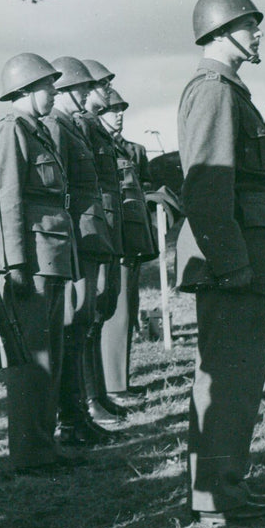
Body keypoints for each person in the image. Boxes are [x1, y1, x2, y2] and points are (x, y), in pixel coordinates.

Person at [176, 0, 265, 528]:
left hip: (243, 259)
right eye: (250, 24)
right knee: (228, 378)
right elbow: (206, 186)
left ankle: (224, 488)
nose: (258, 34)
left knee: (237, 376)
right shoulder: (213, 91)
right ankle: (217, 497)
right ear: (222, 31)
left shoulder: (231, 90)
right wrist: (229, 263)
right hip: (233, 264)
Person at [0, 53, 79, 474]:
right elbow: (4, 200)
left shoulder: (37, 132)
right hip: (33, 262)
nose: (54, 92)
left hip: (52, 258)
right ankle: (29, 452)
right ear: (25, 89)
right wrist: (14, 262)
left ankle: (44, 443)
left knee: (50, 359)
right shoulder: (11, 131)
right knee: (31, 362)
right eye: (47, 85)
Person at [44, 58, 116, 448]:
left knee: (82, 323)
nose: (89, 93)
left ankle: (79, 415)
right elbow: (61, 187)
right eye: (82, 88)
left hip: (87, 237)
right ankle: (71, 418)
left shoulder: (74, 125)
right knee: (73, 328)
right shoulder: (57, 125)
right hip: (73, 237)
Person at [76, 59, 127, 429]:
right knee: (87, 319)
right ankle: (89, 398)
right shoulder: (80, 126)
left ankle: (97, 395)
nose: (107, 89)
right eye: (101, 84)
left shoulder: (94, 128)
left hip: (105, 228)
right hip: (90, 231)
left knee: (99, 313)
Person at [98, 87, 157, 405]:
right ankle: (113, 387)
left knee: (129, 309)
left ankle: (121, 381)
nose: (118, 114)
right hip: (112, 239)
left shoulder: (135, 149)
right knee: (116, 313)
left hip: (133, 238)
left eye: (121, 109)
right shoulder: (96, 145)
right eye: (111, 110)